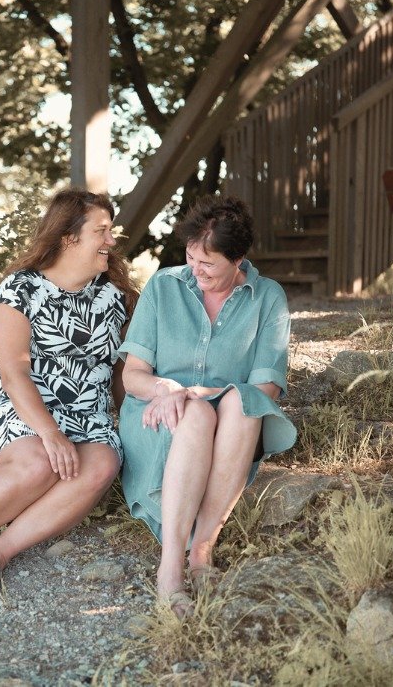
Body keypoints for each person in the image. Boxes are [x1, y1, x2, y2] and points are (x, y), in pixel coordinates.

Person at [0, 188, 138, 598]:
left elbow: (126, 370)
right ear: (69, 237)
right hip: (21, 405)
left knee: (102, 465)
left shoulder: (116, 297)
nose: (111, 240)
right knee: (42, 462)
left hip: (88, 415)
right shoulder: (19, 290)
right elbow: (13, 370)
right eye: (102, 231)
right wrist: (51, 433)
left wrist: (136, 419)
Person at [118, 195, 297, 617]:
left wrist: (199, 393)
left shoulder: (267, 297)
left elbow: (265, 389)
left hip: (231, 425)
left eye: (208, 264)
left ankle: (202, 552)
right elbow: (132, 376)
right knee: (195, 412)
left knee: (239, 402)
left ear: (239, 259)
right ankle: (170, 571)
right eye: (191, 258)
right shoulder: (164, 286)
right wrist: (167, 389)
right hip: (157, 416)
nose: (195, 271)